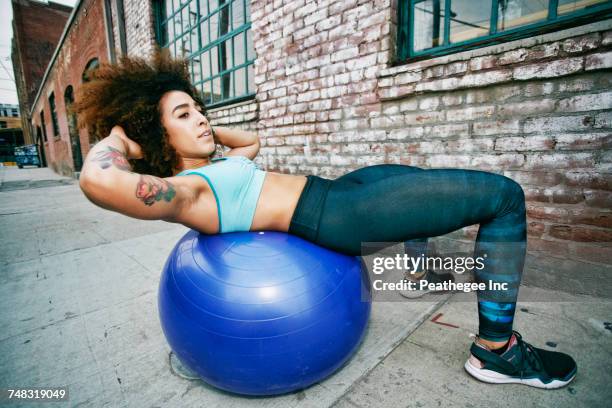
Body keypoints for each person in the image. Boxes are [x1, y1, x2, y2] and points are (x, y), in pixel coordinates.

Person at [75, 50, 577, 389]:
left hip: (335, 191)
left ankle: (421, 271)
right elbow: (101, 181)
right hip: (337, 216)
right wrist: (126, 138)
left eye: (198, 108)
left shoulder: (215, 166)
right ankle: (497, 349)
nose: (202, 118)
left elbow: (249, 144)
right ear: (155, 135)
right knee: (504, 197)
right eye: (183, 115)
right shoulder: (189, 192)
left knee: (412, 173)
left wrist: (195, 127)